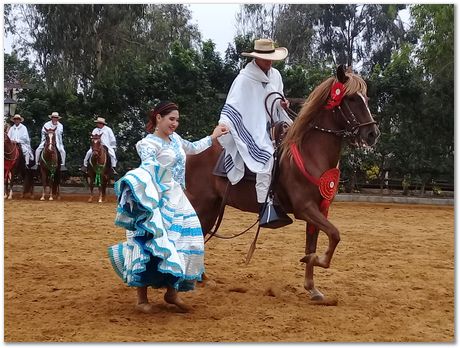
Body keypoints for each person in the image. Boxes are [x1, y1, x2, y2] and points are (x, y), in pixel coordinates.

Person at [108, 101, 228, 313]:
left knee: (184, 242)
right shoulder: (147, 144)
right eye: (171, 119)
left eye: (177, 120)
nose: (175, 123)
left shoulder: (176, 140)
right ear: (158, 118)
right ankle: (141, 299)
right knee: (150, 244)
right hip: (156, 199)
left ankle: (172, 293)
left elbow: (193, 148)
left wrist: (214, 135)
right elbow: (148, 169)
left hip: (178, 198)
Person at [217, 38, 293, 228]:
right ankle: (264, 207)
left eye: (271, 59)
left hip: (272, 123)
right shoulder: (244, 79)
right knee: (266, 155)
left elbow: (276, 100)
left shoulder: (275, 75)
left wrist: (282, 104)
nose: (269, 62)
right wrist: (225, 125)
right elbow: (233, 105)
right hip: (251, 126)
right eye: (265, 59)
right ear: (256, 58)